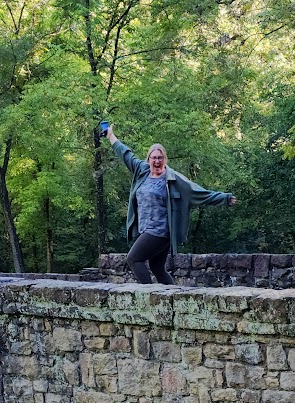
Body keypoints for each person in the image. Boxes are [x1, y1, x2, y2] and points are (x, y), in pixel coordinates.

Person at [101, 121, 235, 283]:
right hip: (146, 230)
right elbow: (126, 154)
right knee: (157, 268)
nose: (157, 161)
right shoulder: (141, 170)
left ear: (165, 159)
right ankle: (172, 297)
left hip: (160, 231)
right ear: (148, 159)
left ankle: (150, 297)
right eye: (154, 158)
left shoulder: (173, 179)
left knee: (133, 259)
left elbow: (199, 193)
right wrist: (111, 136)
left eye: (160, 158)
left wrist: (225, 198)